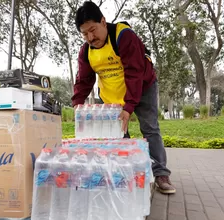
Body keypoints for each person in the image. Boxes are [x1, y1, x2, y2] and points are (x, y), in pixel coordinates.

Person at [71, 1, 176, 194]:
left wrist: (128, 107)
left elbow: (134, 72)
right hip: (111, 93)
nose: (90, 37)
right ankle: (125, 172)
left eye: (93, 30)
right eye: (85, 34)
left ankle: (161, 173)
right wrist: (77, 102)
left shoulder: (123, 36)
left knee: (150, 127)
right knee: (117, 133)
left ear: (103, 21)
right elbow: (84, 79)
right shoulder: (86, 51)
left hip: (142, 86)